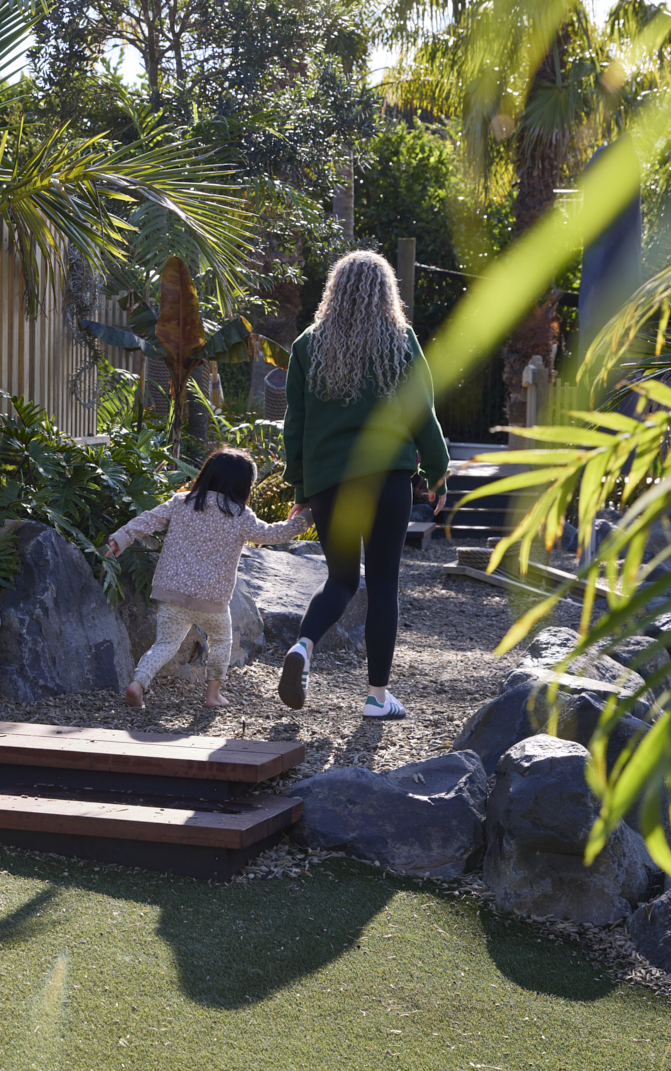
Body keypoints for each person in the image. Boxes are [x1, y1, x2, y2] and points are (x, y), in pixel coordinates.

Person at [280, 250, 450, 720]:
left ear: (334, 290)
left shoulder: (307, 345)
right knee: (382, 584)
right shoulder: (400, 341)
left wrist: (299, 488)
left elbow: (294, 425)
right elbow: (423, 415)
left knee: (339, 579)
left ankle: (303, 646)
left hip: (329, 482)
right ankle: (377, 697)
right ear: (386, 292)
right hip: (387, 480)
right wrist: (437, 473)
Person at [105, 447, 310, 709]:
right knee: (222, 640)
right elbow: (270, 535)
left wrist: (121, 538)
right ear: (243, 485)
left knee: (166, 643)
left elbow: (148, 520)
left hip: (173, 592)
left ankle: (138, 684)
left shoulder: (181, 502)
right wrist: (304, 519)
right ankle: (213, 696)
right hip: (212, 600)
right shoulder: (239, 515)